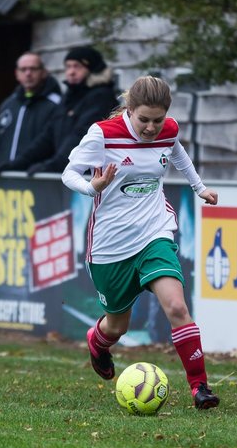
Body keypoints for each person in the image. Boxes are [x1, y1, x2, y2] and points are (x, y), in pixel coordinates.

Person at [62, 75, 222, 410]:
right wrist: (93, 188)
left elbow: (177, 152)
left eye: (158, 120)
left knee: (177, 307)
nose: (151, 128)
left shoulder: (168, 129)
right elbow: (69, 173)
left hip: (154, 232)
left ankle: (199, 388)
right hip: (110, 244)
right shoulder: (103, 133)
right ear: (128, 110)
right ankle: (98, 342)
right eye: (143, 120)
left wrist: (198, 187)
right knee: (117, 326)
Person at [13, 46, 118, 175]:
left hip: (89, 178)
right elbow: (48, 136)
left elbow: (82, 137)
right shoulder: (68, 98)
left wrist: (53, 165)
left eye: (77, 66)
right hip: (69, 173)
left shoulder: (101, 97)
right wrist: (19, 163)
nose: (71, 72)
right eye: (68, 66)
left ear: (92, 69)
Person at [0, 51, 62, 174]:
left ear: (43, 72)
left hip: (36, 179)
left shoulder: (56, 104)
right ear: (17, 74)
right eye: (23, 69)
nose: (28, 73)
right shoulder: (8, 105)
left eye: (33, 69)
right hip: (3, 178)